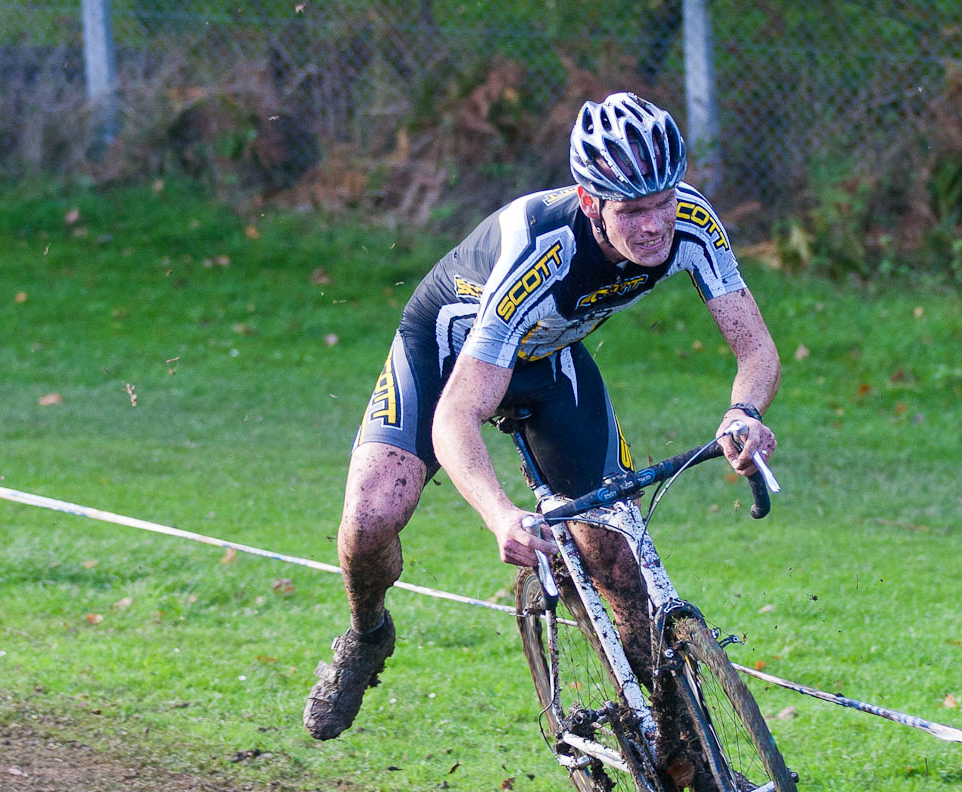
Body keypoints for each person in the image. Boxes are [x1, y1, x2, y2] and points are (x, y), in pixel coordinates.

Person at [303, 92, 779, 741]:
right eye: (632, 210)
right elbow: (455, 416)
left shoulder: (691, 220)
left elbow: (754, 348)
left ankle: (679, 737)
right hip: (448, 355)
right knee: (371, 516)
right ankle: (367, 635)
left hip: (548, 357)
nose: (655, 225)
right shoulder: (541, 249)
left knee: (613, 554)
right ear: (590, 202)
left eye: (663, 200)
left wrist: (743, 411)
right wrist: (501, 514)